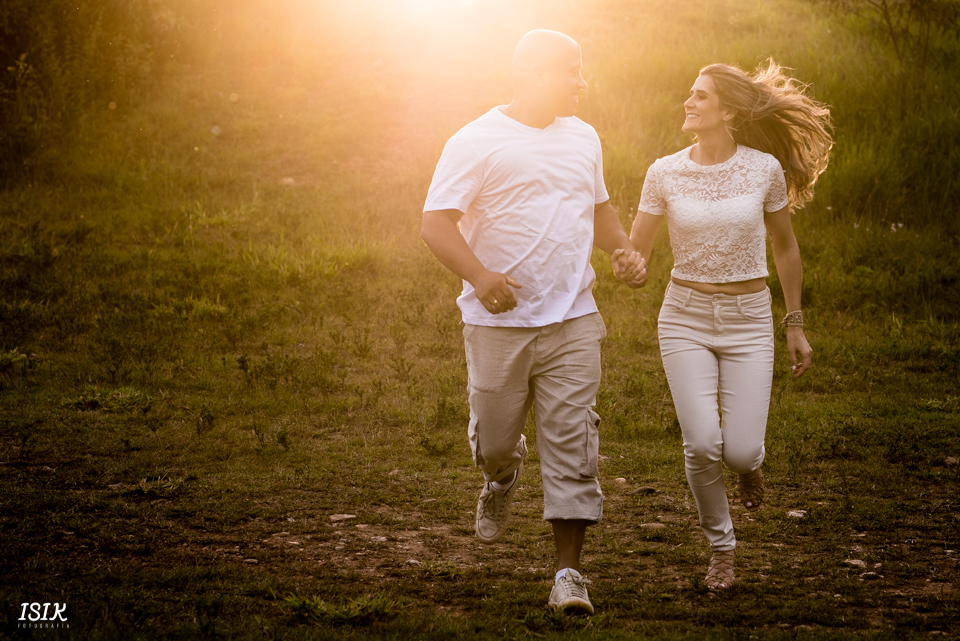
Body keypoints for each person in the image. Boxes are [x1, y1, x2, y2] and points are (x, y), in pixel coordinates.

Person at [421, 29, 645, 614]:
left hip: (574, 317)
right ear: (535, 74)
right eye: (572, 70)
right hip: (497, 325)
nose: (582, 82)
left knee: (573, 442)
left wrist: (619, 247)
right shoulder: (475, 140)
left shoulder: (584, 137)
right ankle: (501, 475)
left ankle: (569, 575)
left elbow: (597, 207)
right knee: (496, 439)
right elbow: (436, 224)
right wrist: (481, 276)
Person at [616, 60, 832, 589]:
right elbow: (636, 256)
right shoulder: (663, 172)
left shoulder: (763, 170)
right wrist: (629, 267)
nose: (688, 103)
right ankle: (722, 549)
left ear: (728, 111)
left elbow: (784, 246)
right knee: (702, 445)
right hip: (684, 318)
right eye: (689, 95)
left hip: (749, 321)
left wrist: (794, 323)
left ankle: (750, 464)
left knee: (737, 450)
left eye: (700, 97)